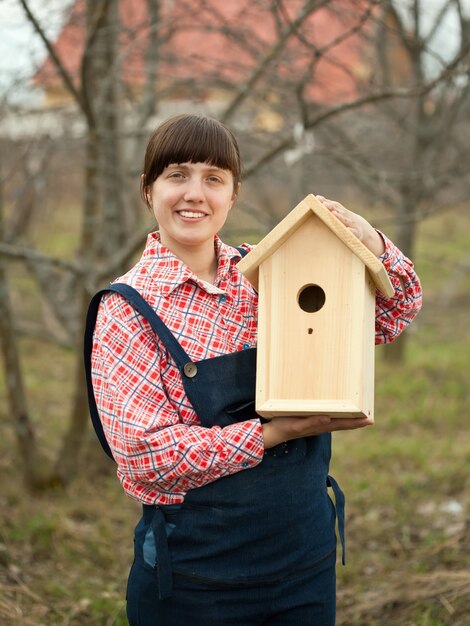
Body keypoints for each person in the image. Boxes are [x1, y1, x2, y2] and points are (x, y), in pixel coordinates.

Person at [85, 113, 422, 626]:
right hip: (197, 583)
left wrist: (371, 244)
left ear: (233, 194)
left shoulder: (268, 273)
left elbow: (394, 315)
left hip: (305, 566)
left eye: (213, 178)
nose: (194, 193)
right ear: (147, 190)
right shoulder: (127, 308)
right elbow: (144, 457)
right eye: (177, 175)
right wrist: (272, 433)